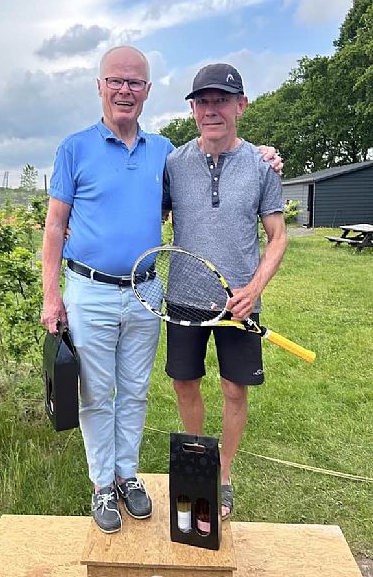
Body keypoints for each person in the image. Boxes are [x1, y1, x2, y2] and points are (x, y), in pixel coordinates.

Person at [41, 46, 282, 534]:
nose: (125, 90)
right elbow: (57, 225)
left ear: (147, 92)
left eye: (135, 83)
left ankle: (135, 476)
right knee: (100, 391)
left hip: (150, 294)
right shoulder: (90, 149)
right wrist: (53, 292)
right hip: (104, 293)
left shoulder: (164, 153)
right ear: (101, 86)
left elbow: (257, 222)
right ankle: (102, 486)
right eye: (116, 81)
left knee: (137, 391)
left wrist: (266, 155)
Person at [162, 63, 287, 521]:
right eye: (202, 102)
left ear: (241, 105)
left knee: (235, 390)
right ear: (193, 109)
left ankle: (225, 475)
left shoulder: (261, 164)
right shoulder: (173, 163)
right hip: (183, 298)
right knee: (184, 383)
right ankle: (199, 465)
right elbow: (142, 211)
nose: (211, 110)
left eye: (221, 100)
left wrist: (254, 288)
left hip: (240, 304)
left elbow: (278, 236)